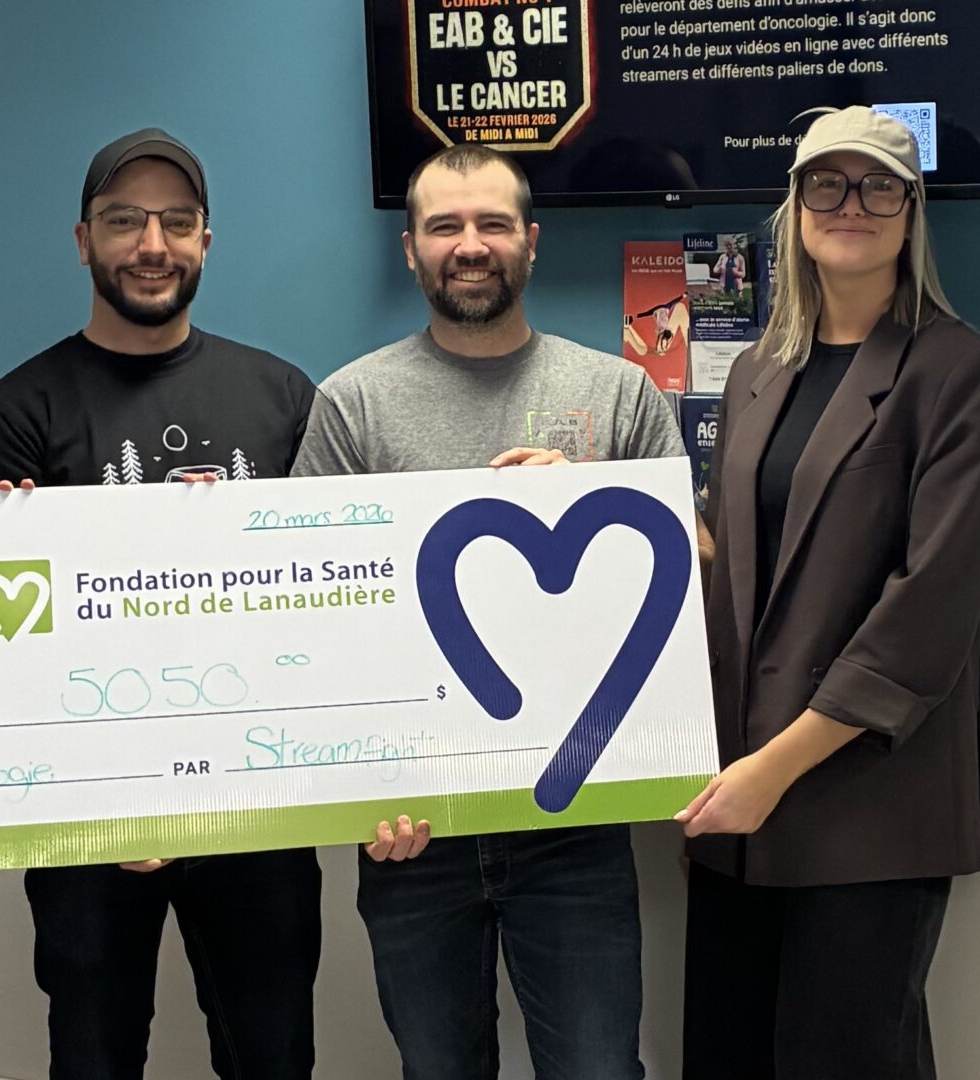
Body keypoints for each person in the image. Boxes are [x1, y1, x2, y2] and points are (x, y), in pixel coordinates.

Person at [292, 144, 695, 1080]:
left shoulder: (618, 393)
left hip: (578, 821)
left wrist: (596, 504)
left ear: (532, 242)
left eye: (492, 224)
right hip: (414, 832)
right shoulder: (350, 404)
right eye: (444, 226)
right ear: (410, 251)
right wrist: (363, 788)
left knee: (600, 1069)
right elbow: (317, 622)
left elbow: (690, 576)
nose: (469, 246)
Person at [0, 128, 321, 1080]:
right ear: (83, 240)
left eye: (175, 221)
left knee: (271, 1054)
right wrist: (17, 555)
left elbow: (325, 607)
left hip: (256, 807)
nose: (150, 243)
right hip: (90, 821)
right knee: (93, 1054)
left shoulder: (284, 396)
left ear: (206, 241)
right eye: (124, 221)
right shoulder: (12, 413)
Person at [675, 106, 980, 1080]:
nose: (850, 205)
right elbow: (729, 569)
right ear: (794, 207)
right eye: (826, 183)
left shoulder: (962, 373)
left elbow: (928, 615)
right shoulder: (755, 372)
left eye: (877, 187)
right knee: (727, 1057)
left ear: (911, 213)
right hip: (737, 802)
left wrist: (770, 770)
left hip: (866, 801)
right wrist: (579, 501)